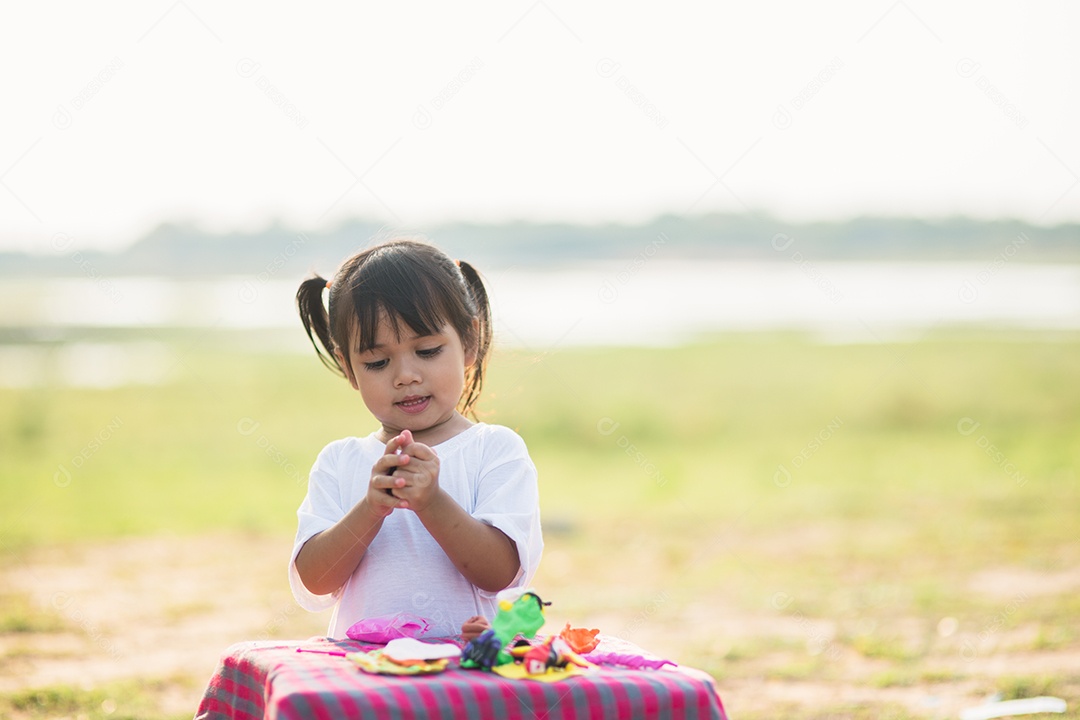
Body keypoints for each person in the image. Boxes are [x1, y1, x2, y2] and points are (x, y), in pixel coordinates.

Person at [289, 239, 543, 639]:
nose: (405, 375)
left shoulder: (495, 450)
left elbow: (499, 573)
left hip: (470, 674)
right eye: (377, 361)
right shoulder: (339, 462)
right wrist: (370, 510)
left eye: (426, 350)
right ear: (349, 368)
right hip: (369, 676)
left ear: (469, 343)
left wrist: (432, 502)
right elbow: (316, 579)